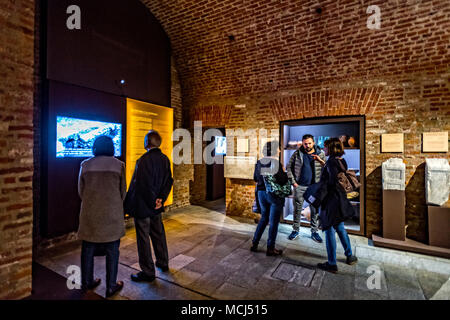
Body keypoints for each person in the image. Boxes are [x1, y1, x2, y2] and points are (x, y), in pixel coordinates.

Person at [77, 135, 126, 298]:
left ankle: (87, 282)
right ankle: (111, 286)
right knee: (113, 250)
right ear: (111, 147)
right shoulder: (119, 165)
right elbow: (123, 192)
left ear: (95, 147)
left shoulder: (85, 164)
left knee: (88, 249)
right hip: (112, 215)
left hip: (90, 215)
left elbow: (80, 191)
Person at [127, 130, 173, 282]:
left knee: (143, 239)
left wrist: (152, 200)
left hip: (143, 206)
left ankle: (148, 271)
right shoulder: (165, 159)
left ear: (147, 142)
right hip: (156, 206)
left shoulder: (143, 160)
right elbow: (168, 181)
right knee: (158, 234)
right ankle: (163, 262)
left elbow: (142, 185)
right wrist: (160, 199)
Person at [317, 138, 358, 273]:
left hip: (330, 200)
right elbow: (335, 175)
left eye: (326, 147)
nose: (324, 149)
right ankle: (349, 255)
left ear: (332, 148)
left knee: (328, 229)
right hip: (340, 199)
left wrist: (317, 199)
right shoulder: (341, 161)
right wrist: (323, 163)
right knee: (340, 227)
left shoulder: (331, 163)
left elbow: (329, 183)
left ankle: (332, 263)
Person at [251, 140, 288, 256]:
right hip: (274, 195)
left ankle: (255, 243)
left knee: (263, 219)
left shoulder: (259, 162)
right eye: (278, 149)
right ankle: (270, 248)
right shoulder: (276, 163)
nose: (280, 151)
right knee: (273, 222)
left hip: (261, 194)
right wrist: (284, 171)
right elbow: (283, 180)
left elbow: (255, 178)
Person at [286, 134, 326, 243]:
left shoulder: (320, 154)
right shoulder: (297, 153)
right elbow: (288, 167)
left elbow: (326, 168)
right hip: (300, 186)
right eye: (305, 143)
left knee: (314, 210)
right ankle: (295, 230)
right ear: (302, 143)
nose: (307, 145)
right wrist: (294, 183)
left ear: (313, 143)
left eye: (309, 143)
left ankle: (314, 231)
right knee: (297, 209)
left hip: (314, 187)